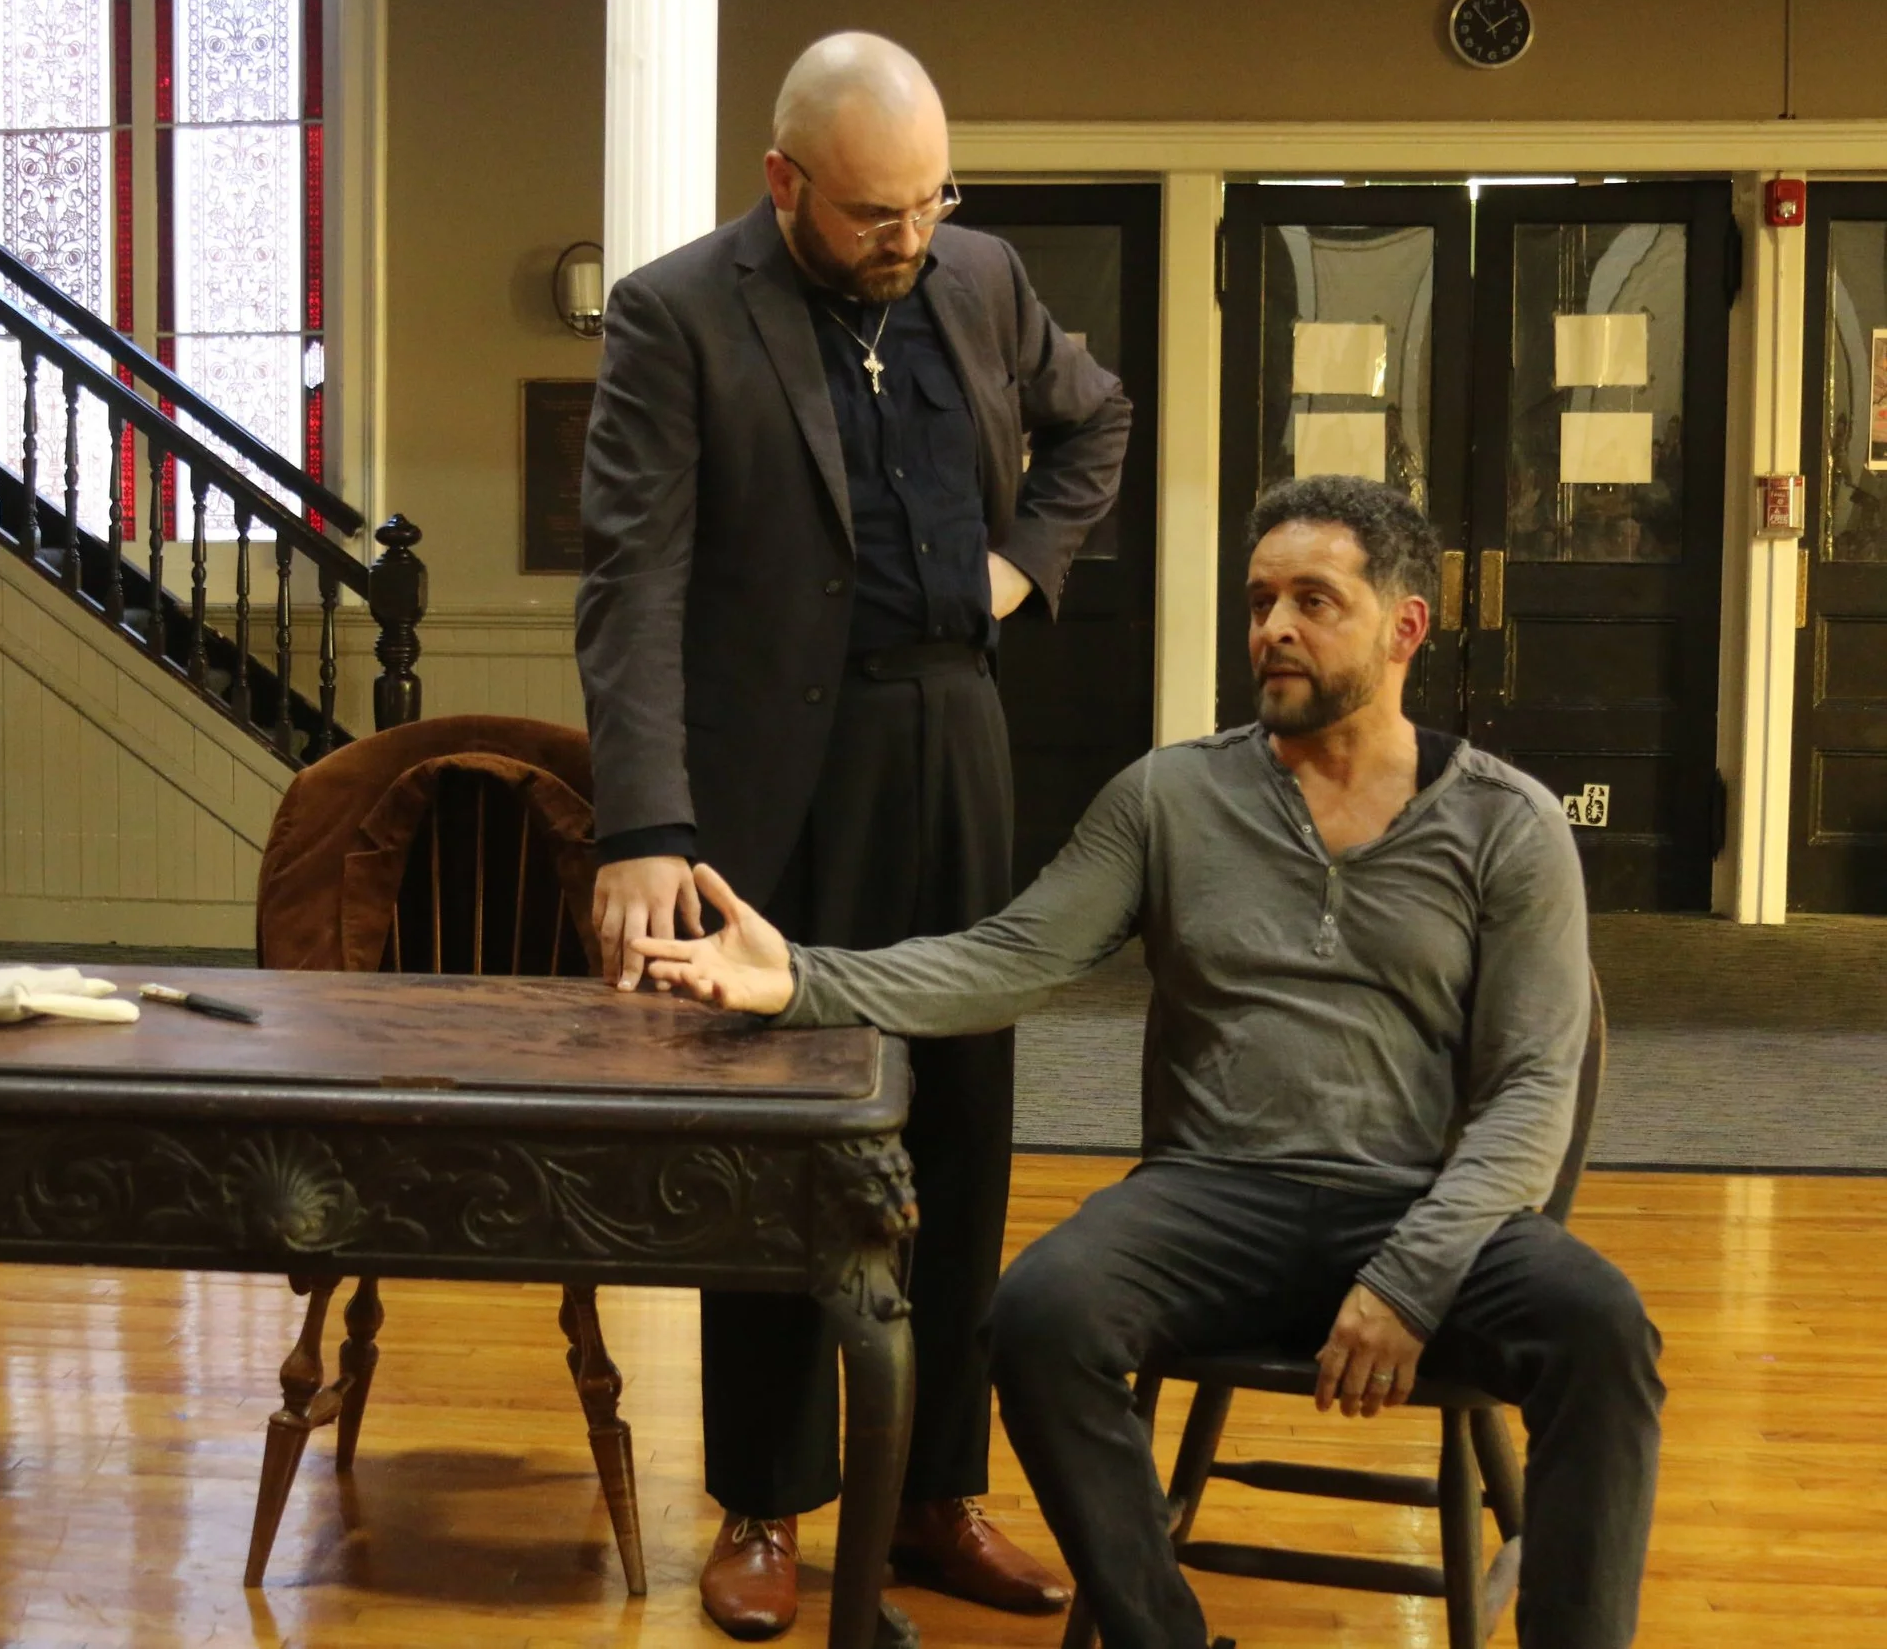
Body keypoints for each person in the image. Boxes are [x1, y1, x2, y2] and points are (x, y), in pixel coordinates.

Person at [634, 475, 1666, 1649]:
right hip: (1213, 1196)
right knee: (1040, 1316)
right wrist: (800, 978)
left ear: (1405, 626)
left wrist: (1407, 1282)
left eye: (1313, 600)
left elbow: (1534, 1086)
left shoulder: (1506, 822)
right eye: (1259, 601)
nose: (1272, 628)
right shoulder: (1172, 795)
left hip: (1422, 1203)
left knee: (1603, 1329)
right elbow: (1007, 959)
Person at [576, 27, 1132, 1639]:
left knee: (959, 1121)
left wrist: (1021, 569)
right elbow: (632, 580)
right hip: (768, 778)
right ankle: (764, 1498)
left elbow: (1095, 422)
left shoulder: (982, 276)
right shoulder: (678, 311)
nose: (910, 236)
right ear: (784, 180)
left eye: (931, 200)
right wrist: (644, 822)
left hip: (950, 739)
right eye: (877, 211)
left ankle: (938, 1492)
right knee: (771, 1140)